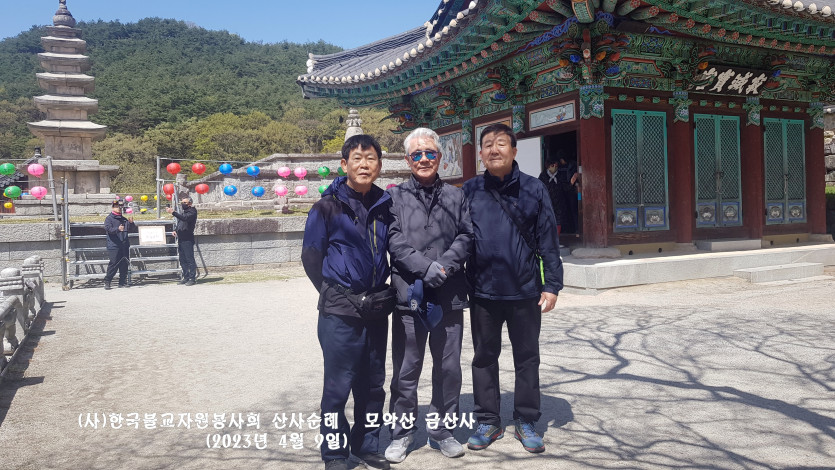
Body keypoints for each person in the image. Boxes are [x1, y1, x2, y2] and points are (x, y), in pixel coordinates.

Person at [463, 123, 563, 454]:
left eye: (501, 143)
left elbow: (548, 239)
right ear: (480, 153)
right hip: (483, 291)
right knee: (484, 358)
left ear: (514, 150)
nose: (494, 149)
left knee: (527, 358)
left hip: (525, 290)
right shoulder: (470, 190)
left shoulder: (534, 189)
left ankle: (526, 419)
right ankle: (488, 420)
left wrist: (552, 285)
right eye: (488, 144)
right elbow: (459, 239)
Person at [301, 134, 394, 470]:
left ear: (379, 165)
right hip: (339, 311)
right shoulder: (326, 207)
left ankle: (367, 445)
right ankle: (336, 453)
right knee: (337, 387)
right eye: (357, 158)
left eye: (371, 159)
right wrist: (337, 293)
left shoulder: (385, 204)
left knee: (373, 385)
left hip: (376, 308)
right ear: (344, 164)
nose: (364, 165)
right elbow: (311, 258)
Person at [384, 128, 473, 463]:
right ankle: (401, 433)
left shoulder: (456, 196)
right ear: (408, 160)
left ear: (440, 157)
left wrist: (444, 266)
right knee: (407, 368)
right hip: (410, 294)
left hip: (449, 294)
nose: (424, 159)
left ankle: (443, 430)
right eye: (417, 154)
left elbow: (466, 235)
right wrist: (424, 267)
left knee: (448, 367)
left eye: (430, 153)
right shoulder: (394, 197)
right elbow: (394, 240)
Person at [103, 201, 135, 289]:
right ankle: (107, 281)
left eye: (120, 207)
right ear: (113, 208)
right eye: (116, 206)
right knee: (113, 264)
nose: (119, 208)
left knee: (124, 263)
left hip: (124, 245)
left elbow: (132, 230)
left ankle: (122, 282)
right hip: (114, 245)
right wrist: (117, 229)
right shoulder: (109, 218)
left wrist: (131, 223)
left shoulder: (124, 219)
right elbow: (108, 229)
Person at [167, 197, 198, 286]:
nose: (183, 204)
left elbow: (185, 218)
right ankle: (186, 277)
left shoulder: (192, 212)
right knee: (182, 260)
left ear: (190, 203)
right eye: (182, 202)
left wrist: (173, 212)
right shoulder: (184, 212)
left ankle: (192, 278)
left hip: (187, 239)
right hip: (181, 238)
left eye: (185, 202)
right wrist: (175, 230)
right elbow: (181, 222)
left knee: (189, 259)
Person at [538, 155, 566, 236]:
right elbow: (539, 188)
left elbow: (565, 187)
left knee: (558, 221)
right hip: (547, 203)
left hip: (559, 202)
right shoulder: (543, 176)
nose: (554, 167)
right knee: (547, 221)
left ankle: (556, 238)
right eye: (552, 165)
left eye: (556, 166)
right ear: (548, 166)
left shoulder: (560, 175)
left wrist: (571, 183)